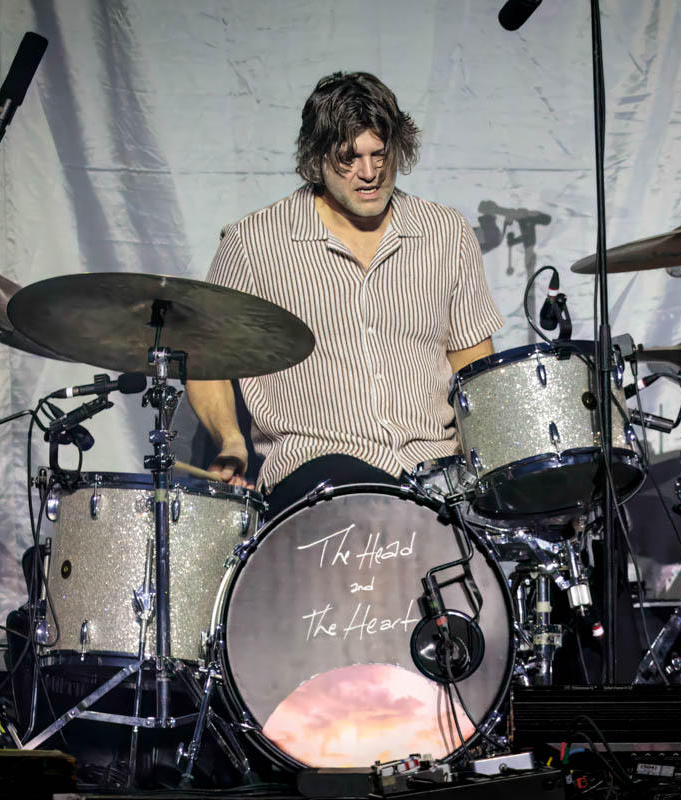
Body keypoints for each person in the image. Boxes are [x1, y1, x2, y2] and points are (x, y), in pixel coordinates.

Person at [186, 71, 503, 516]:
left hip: (434, 477)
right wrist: (231, 440)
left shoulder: (446, 232)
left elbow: (476, 371)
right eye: (348, 159)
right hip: (316, 474)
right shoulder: (254, 242)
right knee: (345, 484)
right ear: (316, 158)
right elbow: (203, 357)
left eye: (380, 154)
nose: (369, 173)